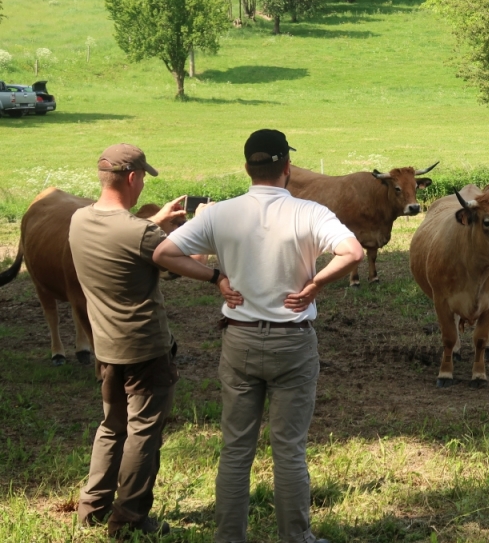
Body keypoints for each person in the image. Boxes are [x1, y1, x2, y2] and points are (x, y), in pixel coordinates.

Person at [153, 129, 364, 543]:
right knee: (289, 449)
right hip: (293, 341)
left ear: (247, 167)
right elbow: (353, 253)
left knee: (235, 449)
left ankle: (229, 537)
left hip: (240, 340)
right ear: (287, 167)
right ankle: (296, 538)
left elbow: (163, 253)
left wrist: (216, 277)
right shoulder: (310, 212)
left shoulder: (219, 213)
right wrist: (315, 285)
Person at [71, 144, 194, 538]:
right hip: (145, 348)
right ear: (131, 178)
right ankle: (130, 518)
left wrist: (156, 220)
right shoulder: (141, 233)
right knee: (144, 431)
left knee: (111, 426)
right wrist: (212, 265)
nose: (142, 185)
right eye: (142, 178)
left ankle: (91, 507)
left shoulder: (78, 220)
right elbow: (182, 262)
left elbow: (122, 236)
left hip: (106, 348)